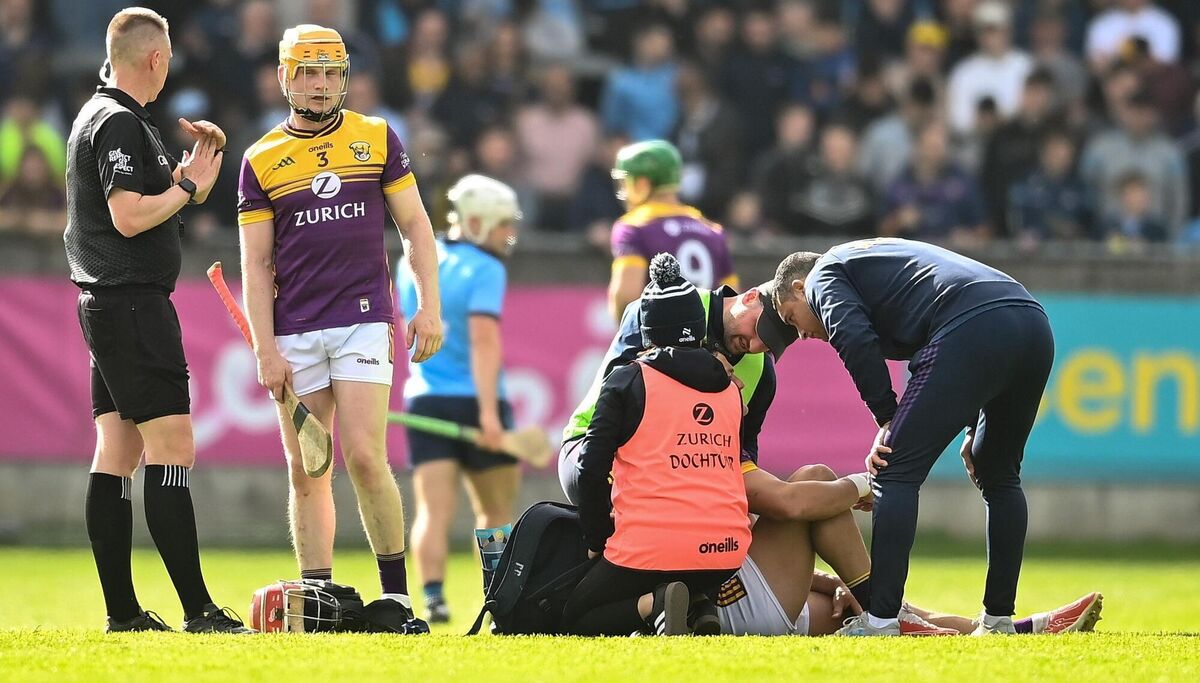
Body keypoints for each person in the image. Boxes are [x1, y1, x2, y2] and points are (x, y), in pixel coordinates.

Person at [237, 24, 443, 634]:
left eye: (330, 72)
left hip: (362, 322)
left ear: (345, 76)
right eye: (307, 72)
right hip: (295, 329)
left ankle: (399, 600)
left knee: (364, 457)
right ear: (285, 77)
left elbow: (416, 229)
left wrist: (429, 306)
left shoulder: (377, 138)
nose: (320, 85)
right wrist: (264, 347)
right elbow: (255, 262)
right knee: (307, 469)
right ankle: (318, 601)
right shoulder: (261, 159)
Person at [65, 7, 250, 633]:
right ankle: (199, 609)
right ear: (156, 59)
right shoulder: (117, 121)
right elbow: (127, 216)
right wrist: (190, 190)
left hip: (109, 305)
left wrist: (187, 173)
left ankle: (123, 613)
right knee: (171, 448)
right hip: (133, 303)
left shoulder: (104, 116)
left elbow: (142, 199)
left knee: (115, 452)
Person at [768, 239, 1054, 636]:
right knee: (999, 473)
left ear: (799, 288)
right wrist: (973, 428)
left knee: (892, 468)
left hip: (974, 324)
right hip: (1031, 321)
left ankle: (881, 621)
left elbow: (853, 336)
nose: (799, 334)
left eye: (790, 317)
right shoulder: (867, 263)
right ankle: (997, 620)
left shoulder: (822, 273)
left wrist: (887, 417)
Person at [563, 253, 751, 636]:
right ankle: (700, 605)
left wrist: (597, 540)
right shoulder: (733, 391)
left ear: (647, 330)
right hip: (727, 552)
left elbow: (590, 469)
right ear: (698, 328)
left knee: (576, 615)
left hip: (651, 548)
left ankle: (658, 604)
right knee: (681, 563)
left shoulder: (627, 380)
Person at [396, 174, 522, 624]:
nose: (509, 233)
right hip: (478, 403)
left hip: (427, 401)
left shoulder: (411, 262)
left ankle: (433, 597)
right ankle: (497, 598)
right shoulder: (486, 269)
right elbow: (484, 342)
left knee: (432, 508)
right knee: (494, 512)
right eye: (502, 223)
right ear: (474, 221)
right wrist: (489, 413)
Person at [606, 139, 737, 323]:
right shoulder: (712, 231)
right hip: (706, 346)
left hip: (659, 344)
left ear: (641, 184)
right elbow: (731, 301)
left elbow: (626, 297)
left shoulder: (633, 228)